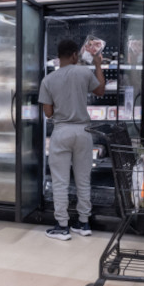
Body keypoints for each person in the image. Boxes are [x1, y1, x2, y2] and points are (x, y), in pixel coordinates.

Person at [38, 39, 105, 241]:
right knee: (83, 179)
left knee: (60, 181)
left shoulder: (48, 80)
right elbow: (100, 90)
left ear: (59, 56)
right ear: (75, 55)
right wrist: (98, 65)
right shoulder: (84, 73)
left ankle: (62, 226)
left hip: (61, 132)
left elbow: (48, 113)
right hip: (83, 132)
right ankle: (84, 223)